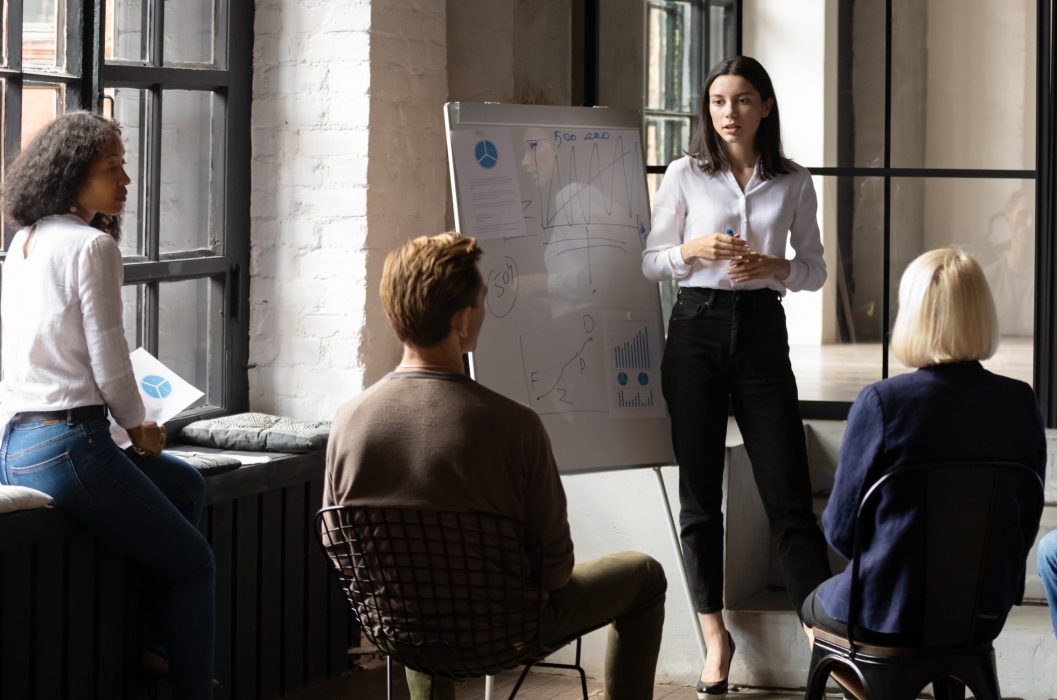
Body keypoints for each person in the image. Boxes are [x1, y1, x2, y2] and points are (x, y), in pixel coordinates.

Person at [325, 233, 668, 700]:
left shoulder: (348, 421)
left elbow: (343, 549)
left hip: (401, 631)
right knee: (644, 576)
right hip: (507, 633)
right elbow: (555, 572)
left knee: (420, 596)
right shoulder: (515, 426)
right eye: (482, 301)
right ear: (462, 319)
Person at [0, 111, 214, 697]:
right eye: (110, 168)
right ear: (73, 176)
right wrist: (139, 425)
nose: (125, 180)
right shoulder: (92, 246)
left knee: (186, 485)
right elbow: (109, 356)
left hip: (17, 444)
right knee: (194, 562)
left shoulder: (25, 241)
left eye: (124, 165)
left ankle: (157, 644)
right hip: (70, 446)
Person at [641, 55, 831, 696]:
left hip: (761, 331)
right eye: (719, 101)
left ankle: (822, 642)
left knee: (788, 494)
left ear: (765, 107)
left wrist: (776, 267)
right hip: (694, 329)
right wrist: (691, 251)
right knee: (700, 497)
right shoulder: (684, 174)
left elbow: (815, 270)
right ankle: (714, 639)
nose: (729, 112)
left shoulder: (794, 181)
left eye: (743, 100)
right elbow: (650, 262)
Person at [803, 250, 1046, 698]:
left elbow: (840, 532)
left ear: (912, 314)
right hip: (981, 613)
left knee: (811, 611)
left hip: (888, 611)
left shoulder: (882, 404)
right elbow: (1026, 518)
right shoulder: (1019, 403)